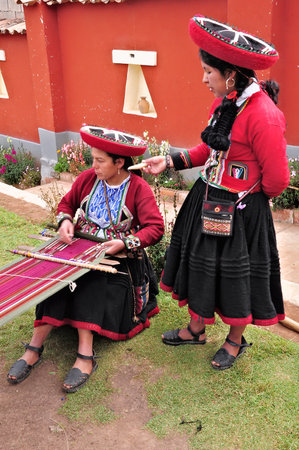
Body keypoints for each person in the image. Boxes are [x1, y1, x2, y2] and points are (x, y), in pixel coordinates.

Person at [143, 14, 289, 370]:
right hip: (206, 200)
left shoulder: (263, 116)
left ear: (232, 75)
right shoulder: (226, 103)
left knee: (237, 276)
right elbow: (211, 149)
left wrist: (250, 203)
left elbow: (278, 179)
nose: (204, 78)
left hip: (240, 211)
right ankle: (196, 328)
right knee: (201, 268)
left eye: (209, 71)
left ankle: (235, 340)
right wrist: (172, 161)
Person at [7, 125, 164, 391]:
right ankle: (34, 347)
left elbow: (156, 228)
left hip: (117, 256)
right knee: (56, 277)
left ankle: (85, 354)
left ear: (119, 162)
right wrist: (66, 221)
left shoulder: (138, 189)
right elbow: (66, 204)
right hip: (79, 247)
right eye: (93, 159)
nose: (94, 166)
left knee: (92, 283)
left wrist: (124, 242)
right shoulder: (87, 179)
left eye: (100, 160)